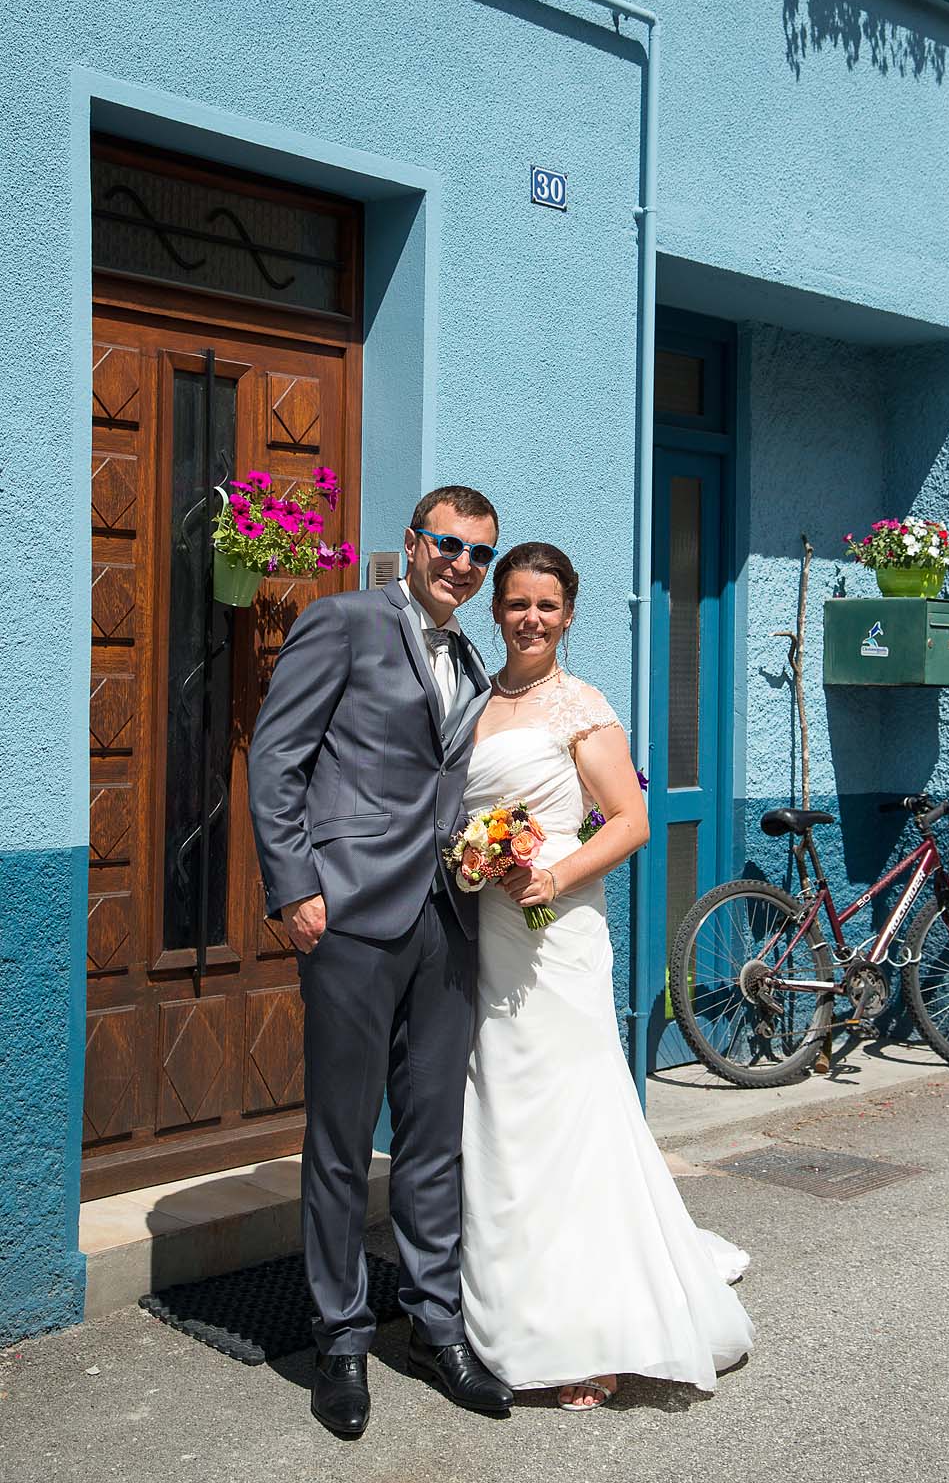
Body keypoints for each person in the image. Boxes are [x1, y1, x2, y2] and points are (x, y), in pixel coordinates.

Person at [460, 542, 754, 1409]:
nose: (531, 619)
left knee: (570, 1113)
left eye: (547, 606)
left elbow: (630, 821)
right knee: (503, 1112)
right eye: (517, 603)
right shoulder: (478, 703)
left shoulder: (580, 706)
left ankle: (597, 1326)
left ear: (570, 614)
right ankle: (504, 1305)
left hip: (557, 934)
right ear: (497, 609)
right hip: (490, 932)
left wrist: (551, 874)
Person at [247, 486, 513, 1438]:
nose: (464, 566)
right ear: (412, 543)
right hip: (352, 915)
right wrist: (294, 885)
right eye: (449, 546)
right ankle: (340, 1340)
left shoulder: (476, 658)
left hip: (448, 917)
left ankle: (434, 1326)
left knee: (433, 1133)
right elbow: (278, 757)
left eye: (480, 555)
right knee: (342, 1135)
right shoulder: (346, 621)